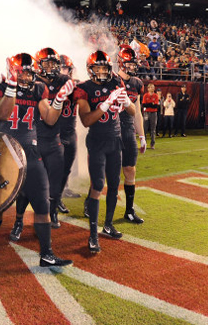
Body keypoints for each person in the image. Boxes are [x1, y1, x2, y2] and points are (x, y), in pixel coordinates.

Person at [0, 52, 73, 269]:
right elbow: (2, 114)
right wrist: (11, 85)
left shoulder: (39, 89)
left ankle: (47, 253)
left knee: (42, 204)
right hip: (4, 151)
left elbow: (50, 119)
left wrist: (58, 100)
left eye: (28, 73)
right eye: (21, 73)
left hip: (31, 152)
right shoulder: (1, 86)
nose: (25, 77)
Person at [74, 50, 135, 253]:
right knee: (98, 185)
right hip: (97, 140)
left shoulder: (116, 83)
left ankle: (108, 225)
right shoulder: (84, 88)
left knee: (114, 184)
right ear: (90, 70)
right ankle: (92, 235)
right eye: (97, 68)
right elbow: (86, 120)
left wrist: (126, 102)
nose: (101, 71)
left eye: (104, 68)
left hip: (115, 140)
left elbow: (133, 112)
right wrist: (106, 104)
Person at [33, 47, 72, 229]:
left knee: (57, 178)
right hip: (34, 136)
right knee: (34, 181)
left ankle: (53, 210)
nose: (51, 67)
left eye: (54, 63)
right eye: (47, 63)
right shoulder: (32, 82)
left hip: (57, 134)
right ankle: (20, 218)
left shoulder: (64, 81)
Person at [115, 45, 146, 224]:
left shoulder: (136, 83)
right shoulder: (111, 80)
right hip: (111, 130)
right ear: (120, 62)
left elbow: (138, 112)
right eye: (130, 63)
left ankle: (129, 210)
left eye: (134, 63)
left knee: (130, 170)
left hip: (127, 130)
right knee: (105, 171)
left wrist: (141, 136)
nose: (133, 66)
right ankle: (91, 201)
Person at [57, 54, 80, 212]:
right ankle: (54, 198)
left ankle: (63, 190)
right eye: (62, 68)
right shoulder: (51, 86)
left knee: (68, 167)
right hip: (55, 132)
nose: (64, 71)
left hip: (70, 131)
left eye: (66, 68)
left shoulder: (75, 86)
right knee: (55, 168)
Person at [142, 83, 159, 149]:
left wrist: (149, 104)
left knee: (153, 129)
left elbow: (156, 106)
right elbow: (144, 105)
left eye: (153, 87)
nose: (152, 88)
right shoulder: (145, 95)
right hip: (146, 113)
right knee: (145, 129)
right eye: (151, 87)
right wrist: (151, 104)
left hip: (154, 113)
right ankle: (144, 143)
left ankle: (152, 144)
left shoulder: (156, 96)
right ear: (148, 88)